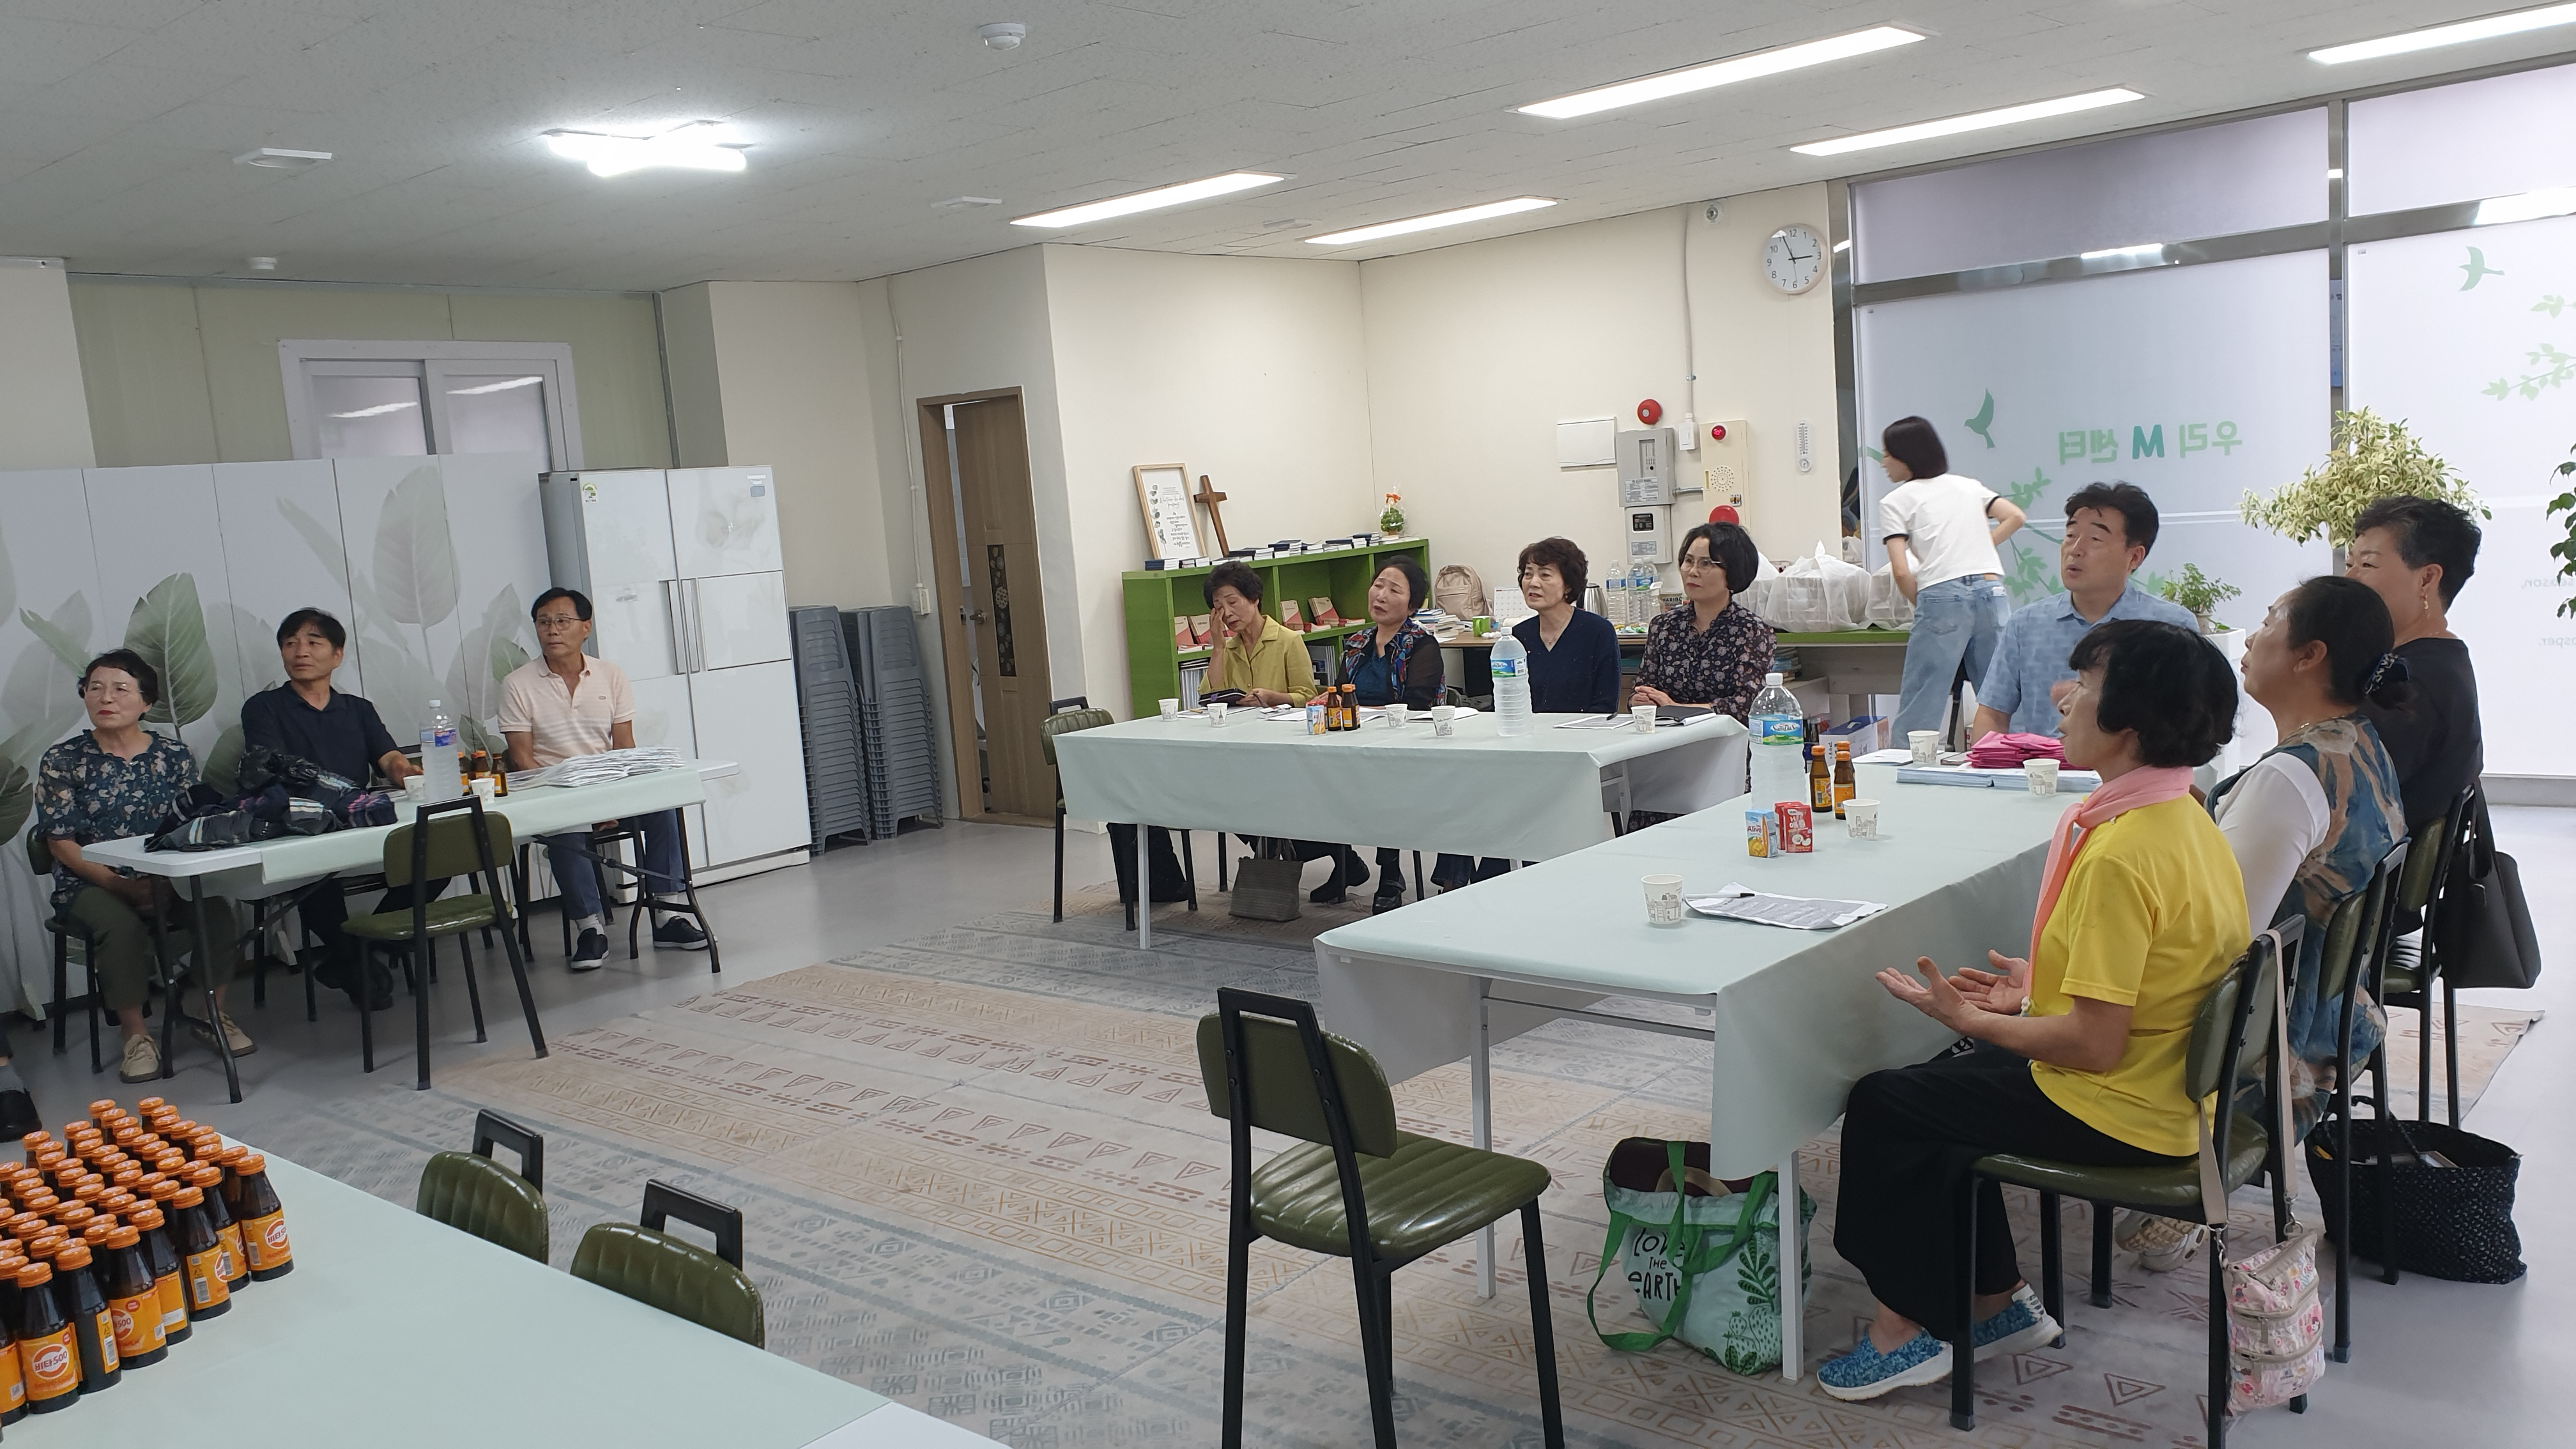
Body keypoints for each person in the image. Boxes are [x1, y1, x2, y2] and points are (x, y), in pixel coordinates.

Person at [1822, 620, 2245, 1400]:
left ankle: (1903, 1328)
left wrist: (1975, 1021)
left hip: (2125, 1106)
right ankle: (1994, 1302)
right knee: (1943, 1091)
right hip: (2170, 1088)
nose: (2062, 699)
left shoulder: (2122, 851)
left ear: (2129, 723)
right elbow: (2156, 974)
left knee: (1887, 1104)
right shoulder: (2183, 814)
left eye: (2084, 686)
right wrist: (2039, 988)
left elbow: (2094, 1045)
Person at [2211, 578, 2406, 1133]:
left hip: (2261, 1060)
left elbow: (2223, 939)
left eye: (2268, 621)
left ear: (2309, 655)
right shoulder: (2359, 743)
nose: (2251, 639)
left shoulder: (2291, 777)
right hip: (2331, 1025)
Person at [38, 650, 256, 1084]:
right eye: (95, 688)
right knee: (119, 927)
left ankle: (210, 1014)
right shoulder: (63, 760)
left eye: (120, 689)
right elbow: (61, 843)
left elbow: (192, 825)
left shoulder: (173, 756)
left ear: (146, 702)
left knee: (217, 913)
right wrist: (120, 886)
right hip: (90, 883)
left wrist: (164, 881)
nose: (106, 698)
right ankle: (136, 1036)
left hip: (166, 876)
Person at [498, 588, 709, 969]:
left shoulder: (610, 675)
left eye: (562, 621)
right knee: (565, 827)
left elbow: (624, 746)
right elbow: (523, 759)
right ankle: (590, 929)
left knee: (663, 810)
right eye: (544, 622)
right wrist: (578, 806)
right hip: (556, 794)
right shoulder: (518, 684)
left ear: (586, 627)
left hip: (609, 787)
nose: (552, 630)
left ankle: (667, 916)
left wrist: (615, 801)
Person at [239, 607, 426, 1011]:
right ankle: (358, 962)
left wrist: (405, 772)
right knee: (310, 872)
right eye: (290, 644)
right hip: (302, 821)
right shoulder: (264, 707)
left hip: (357, 817)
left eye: (313, 642)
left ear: (337, 655)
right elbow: (271, 767)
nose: (300, 652)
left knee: (435, 849)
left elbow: (388, 756)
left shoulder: (358, 708)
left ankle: (358, 951)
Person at [1432, 538, 1619, 891]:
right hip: (1522, 747)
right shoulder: (1517, 636)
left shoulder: (1596, 631)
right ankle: (1458, 880)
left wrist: (1554, 737)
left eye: (1545, 574)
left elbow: (1605, 706)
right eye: (1527, 573)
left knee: (1512, 796)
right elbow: (1503, 701)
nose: (1532, 582)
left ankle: (1488, 879)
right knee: (1464, 782)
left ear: (1569, 585)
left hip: (1573, 752)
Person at [1972, 482, 2195, 739]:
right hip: (2041, 763)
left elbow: (2189, 723)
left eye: (2095, 539)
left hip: (2131, 764)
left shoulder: (2170, 627)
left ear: (2134, 557)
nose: (2075, 550)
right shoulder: (2026, 624)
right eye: (2070, 536)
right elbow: (1993, 714)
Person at [1876, 417, 2023, 739]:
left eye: (1887, 454)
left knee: (1922, 698)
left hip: (1941, 595)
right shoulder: (1969, 486)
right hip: (1991, 590)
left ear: (1906, 456)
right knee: (2001, 696)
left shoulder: (1895, 501)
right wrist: (1981, 546)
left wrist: (1927, 604)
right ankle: (2017, 757)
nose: (1883, 462)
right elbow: (2015, 516)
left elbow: (1900, 571)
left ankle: (1907, 765)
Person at [2345, 496, 2484, 834]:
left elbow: (2322, 793)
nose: (2349, 578)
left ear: (2426, 579)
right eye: (2350, 563)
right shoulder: (2438, 663)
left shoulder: (2414, 684)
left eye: (2367, 565)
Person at [1318, 557, 1444, 912]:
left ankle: (1390, 874)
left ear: (1413, 605)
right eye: (1378, 585)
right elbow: (1340, 692)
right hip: (1354, 741)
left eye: (1394, 590)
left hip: (1403, 747)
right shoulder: (1357, 643)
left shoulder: (1421, 645)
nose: (1382, 595)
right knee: (1318, 778)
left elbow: (1418, 705)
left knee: (1381, 784)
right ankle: (1344, 862)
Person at [1630, 521, 1775, 721]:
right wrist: (1640, 700)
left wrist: (1678, 709)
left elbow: (1747, 705)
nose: (1693, 571)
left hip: (1726, 735)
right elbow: (1644, 687)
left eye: (1706, 564)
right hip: (1667, 732)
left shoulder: (1752, 631)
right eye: (1688, 561)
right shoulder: (1664, 626)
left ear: (1732, 572)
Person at [1202, 561, 1317, 707]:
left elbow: (1308, 697)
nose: (1227, 613)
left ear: (1254, 598)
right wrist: (1218, 648)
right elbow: (1210, 698)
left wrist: (1272, 698)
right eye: (1219, 608)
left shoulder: (1289, 640)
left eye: (1232, 602)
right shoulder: (1226, 650)